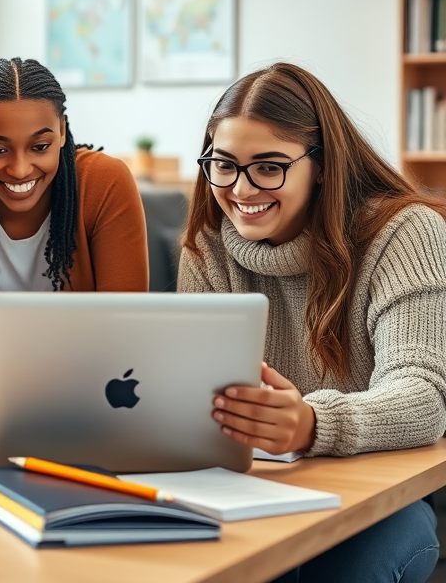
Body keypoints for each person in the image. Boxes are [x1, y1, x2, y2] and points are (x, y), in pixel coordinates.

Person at [179, 62, 445, 583]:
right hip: (249, 487)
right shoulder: (208, 247)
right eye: (224, 164)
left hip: (379, 493)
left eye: (269, 167)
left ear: (320, 165)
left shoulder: (406, 232)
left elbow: (423, 398)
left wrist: (310, 424)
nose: (241, 189)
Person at [0, 58, 149, 399]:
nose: (20, 168)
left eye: (40, 147)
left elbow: (124, 339)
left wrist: (20, 375)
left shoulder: (104, 183)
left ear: (62, 130)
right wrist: (78, 374)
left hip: (96, 412)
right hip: (14, 414)